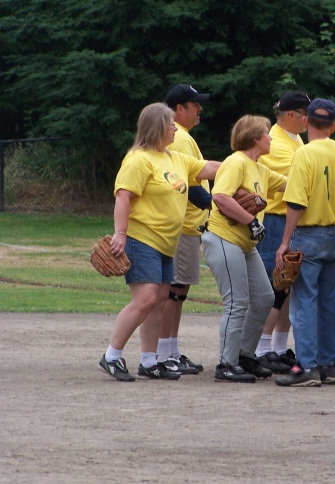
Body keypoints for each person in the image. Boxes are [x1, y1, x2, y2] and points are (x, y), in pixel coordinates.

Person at [97, 102, 219, 381]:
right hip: (142, 238)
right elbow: (123, 196)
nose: (175, 127)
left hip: (166, 243)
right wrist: (120, 233)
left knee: (160, 300)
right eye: (170, 123)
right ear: (157, 127)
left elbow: (209, 167)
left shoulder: (175, 158)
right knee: (146, 298)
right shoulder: (138, 159)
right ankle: (111, 356)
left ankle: (149, 361)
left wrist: (244, 166)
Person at [201, 115, 287, 382]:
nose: (270, 137)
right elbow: (219, 196)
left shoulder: (260, 168)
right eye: (266, 133)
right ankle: (226, 364)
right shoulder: (236, 162)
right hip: (223, 238)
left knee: (264, 298)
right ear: (254, 138)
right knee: (237, 302)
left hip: (244, 244)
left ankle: (244, 355)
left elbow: (291, 183)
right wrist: (251, 220)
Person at [274, 98, 335, 387]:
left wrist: (284, 241)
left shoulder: (304, 154)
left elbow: (296, 201)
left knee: (304, 302)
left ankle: (306, 367)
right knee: (328, 302)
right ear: (334, 126)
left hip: (309, 235)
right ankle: (328, 365)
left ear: (306, 121)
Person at [157, 84, 211, 376]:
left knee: (178, 291)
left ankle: (171, 350)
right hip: (182, 224)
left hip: (189, 225)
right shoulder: (178, 137)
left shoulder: (184, 136)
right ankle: (164, 353)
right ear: (179, 109)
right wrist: (217, 203)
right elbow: (184, 183)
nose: (200, 109)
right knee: (173, 291)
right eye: (195, 105)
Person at [255, 91, 311, 374]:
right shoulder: (277, 144)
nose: (309, 119)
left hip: (288, 219)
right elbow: (299, 184)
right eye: (305, 113)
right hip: (276, 219)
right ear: (291, 115)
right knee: (275, 284)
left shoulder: (294, 139)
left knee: (288, 284)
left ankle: (277, 347)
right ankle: (261, 348)